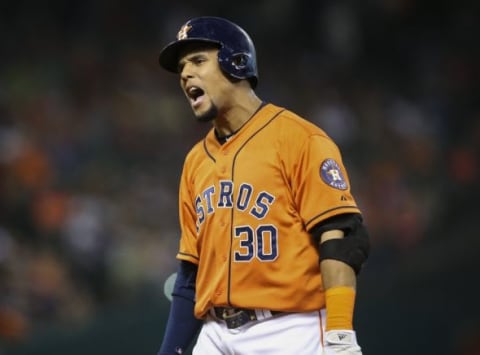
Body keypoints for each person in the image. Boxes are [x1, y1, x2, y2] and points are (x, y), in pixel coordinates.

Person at [157, 16, 370, 355]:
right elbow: (189, 276)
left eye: (198, 60)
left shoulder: (300, 139)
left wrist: (341, 334)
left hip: (289, 329)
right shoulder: (195, 161)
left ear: (236, 62)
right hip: (215, 333)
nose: (185, 74)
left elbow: (341, 238)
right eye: (182, 66)